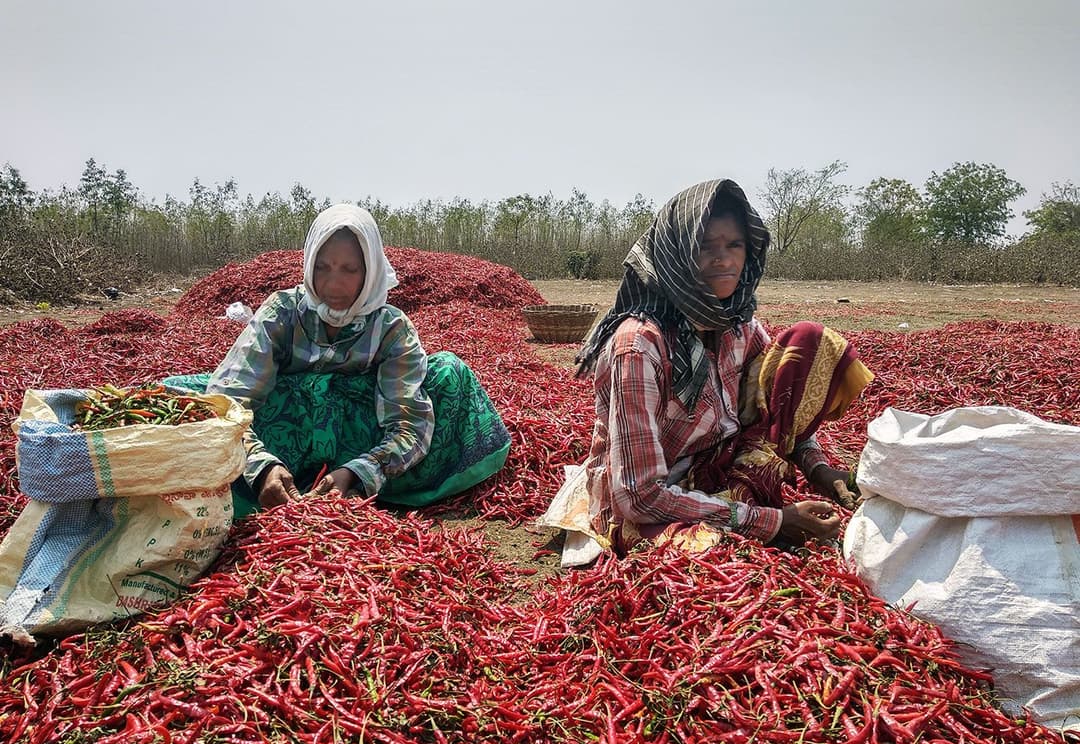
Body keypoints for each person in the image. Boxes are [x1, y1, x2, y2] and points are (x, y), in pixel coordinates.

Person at [572, 179, 873, 556]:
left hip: (715, 465)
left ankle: (738, 505)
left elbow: (774, 405)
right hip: (646, 499)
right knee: (713, 555)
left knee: (807, 342)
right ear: (675, 254)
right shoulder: (639, 345)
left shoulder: (739, 326)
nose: (724, 259)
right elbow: (638, 496)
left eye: (735, 245)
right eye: (705, 246)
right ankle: (742, 513)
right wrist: (774, 520)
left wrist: (818, 469)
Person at [167, 203, 510, 517]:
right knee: (177, 396)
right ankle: (276, 477)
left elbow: (408, 423)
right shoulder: (282, 312)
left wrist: (359, 471)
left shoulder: (390, 328)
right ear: (308, 263)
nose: (334, 283)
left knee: (447, 374)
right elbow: (229, 399)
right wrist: (260, 466)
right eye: (322, 266)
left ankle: (356, 478)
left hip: (359, 441)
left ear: (370, 271)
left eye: (350, 269)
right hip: (285, 440)